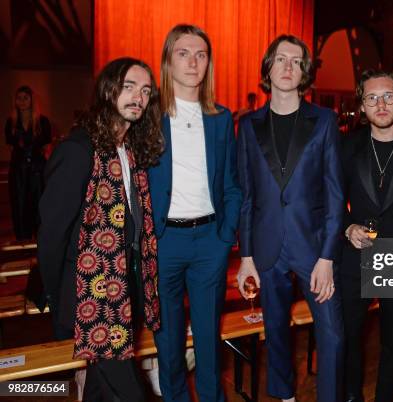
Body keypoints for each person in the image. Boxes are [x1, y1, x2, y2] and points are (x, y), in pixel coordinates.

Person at [37, 57, 164, 401]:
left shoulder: (130, 152)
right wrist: (56, 298)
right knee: (130, 393)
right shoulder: (78, 150)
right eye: (129, 87)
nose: (139, 96)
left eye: (146, 90)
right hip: (89, 301)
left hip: (124, 294)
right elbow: (51, 236)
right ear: (108, 90)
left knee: (99, 392)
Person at [236, 34, 344, 402]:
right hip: (267, 249)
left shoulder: (325, 121)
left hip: (314, 249)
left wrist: (327, 257)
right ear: (268, 67)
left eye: (296, 61)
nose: (287, 67)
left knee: (332, 333)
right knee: (276, 331)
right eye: (280, 59)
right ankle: (284, 396)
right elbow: (247, 196)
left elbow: (334, 193)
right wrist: (246, 257)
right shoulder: (248, 126)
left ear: (304, 72)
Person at [148, 24, 242, 402]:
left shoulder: (220, 118)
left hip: (209, 242)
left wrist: (225, 236)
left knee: (208, 341)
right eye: (184, 53)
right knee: (168, 345)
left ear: (209, 64)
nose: (193, 61)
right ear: (169, 61)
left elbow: (232, 185)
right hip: (164, 241)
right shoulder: (149, 115)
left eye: (201, 54)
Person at [340, 70, 393, 402]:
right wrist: (347, 225)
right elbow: (328, 198)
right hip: (355, 254)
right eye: (371, 97)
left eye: (388, 96)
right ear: (362, 106)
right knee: (349, 336)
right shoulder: (347, 145)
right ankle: (353, 395)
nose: (381, 103)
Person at [5, 85, 51, 240]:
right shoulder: (11, 122)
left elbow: (47, 148)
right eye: (19, 98)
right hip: (18, 171)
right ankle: (22, 242)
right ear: (15, 101)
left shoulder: (42, 121)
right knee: (19, 205)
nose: (22, 101)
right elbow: (12, 148)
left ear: (32, 100)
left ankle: (41, 243)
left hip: (38, 170)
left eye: (25, 98)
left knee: (40, 206)